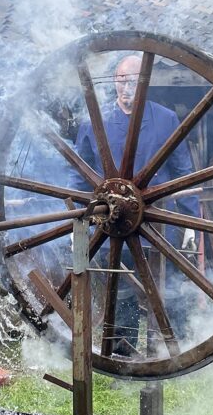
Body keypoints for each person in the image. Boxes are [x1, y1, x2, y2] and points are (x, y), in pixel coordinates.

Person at [70, 54, 199, 355]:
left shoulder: (165, 119)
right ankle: (123, 352)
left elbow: (184, 175)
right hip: (112, 224)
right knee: (121, 289)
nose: (126, 87)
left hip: (157, 222)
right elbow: (78, 177)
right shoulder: (95, 122)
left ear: (145, 83)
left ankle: (171, 350)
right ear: (114, 81)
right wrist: (76, 223)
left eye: (133, 80)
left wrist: (192, 225)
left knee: (165, 288)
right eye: (121, 79)